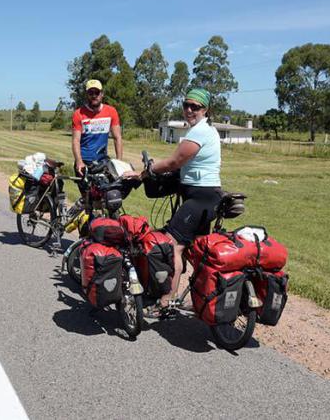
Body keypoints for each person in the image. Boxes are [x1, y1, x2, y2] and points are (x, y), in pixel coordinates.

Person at [125, 88, 221, 312]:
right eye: (186, 105)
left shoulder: (199, 133)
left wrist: (147, 170)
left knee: (172, 246)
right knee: (196, 249)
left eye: (195, 107)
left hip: (199, 198)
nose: (189, 110)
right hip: (206, 196)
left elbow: (174, 162)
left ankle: (166, 300)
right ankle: (201, 298)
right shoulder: (208, 130)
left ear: (205, 110)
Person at [71, 79, 123, 178]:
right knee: (87, 193)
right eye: (91, 93)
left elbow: (117, 138)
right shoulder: (79, 114)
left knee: (107, 191)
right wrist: (79, 161)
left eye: (97, 92)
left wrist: (119, 162)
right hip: (84, 161)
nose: (94, 96)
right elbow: (76, 140)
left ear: (102, 94)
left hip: (102, 161)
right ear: (87, 95)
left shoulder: (111, 112)